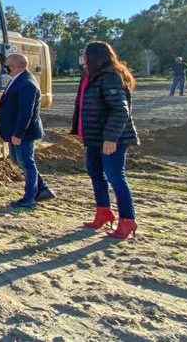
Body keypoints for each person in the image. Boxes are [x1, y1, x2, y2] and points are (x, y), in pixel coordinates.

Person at [71, 41, 140, 239]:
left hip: (112, 139)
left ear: (94, 57)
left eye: (85, 55)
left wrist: (111, 138)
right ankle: (103, 212)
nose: (82, 59)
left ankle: (128, 220)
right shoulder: (91, 77)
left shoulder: (110, 77)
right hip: (94, 138)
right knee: (95, 173)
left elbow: (120, 110)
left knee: (115, 176)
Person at [0, 53, 53, 208]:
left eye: (7, 66)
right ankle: (43, 189)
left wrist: (18, 134)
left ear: (14, 67)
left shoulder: (26, 83)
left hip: (23, 133)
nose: (5, 68)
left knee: (27, 163)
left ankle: (30, 197)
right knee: (19, 161)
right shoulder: (17, 80)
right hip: (15, 131)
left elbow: (25, 112)